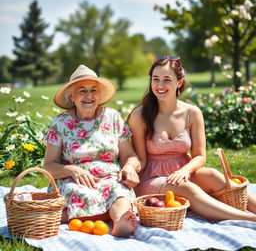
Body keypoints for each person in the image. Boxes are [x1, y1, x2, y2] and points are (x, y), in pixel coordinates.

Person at [128, 56, 256, 222]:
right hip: (152, 179)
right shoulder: (140, 115)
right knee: (184, 187)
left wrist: (185, 170)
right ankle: (249, 219)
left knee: (212, 174)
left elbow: (200, 156)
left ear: (179, 83)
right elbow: (141, 161)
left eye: (167, 79)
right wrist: (128, 168)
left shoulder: (192, 113)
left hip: (182, 172)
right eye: (155, 79)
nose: (160, 85)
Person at [43, 65, 141, 237]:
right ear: (71, 97)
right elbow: (48, 166)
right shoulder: (60, 123)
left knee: (119, 192)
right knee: (77, 192)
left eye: (93, 90)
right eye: (82, 91)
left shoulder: (112, 117)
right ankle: (102, 215)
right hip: (74, 181)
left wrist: (130, 167)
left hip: (110, 178)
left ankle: (120, 220)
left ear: (99, 95)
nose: (89, 95)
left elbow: (130, 156)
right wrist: (70, 170)